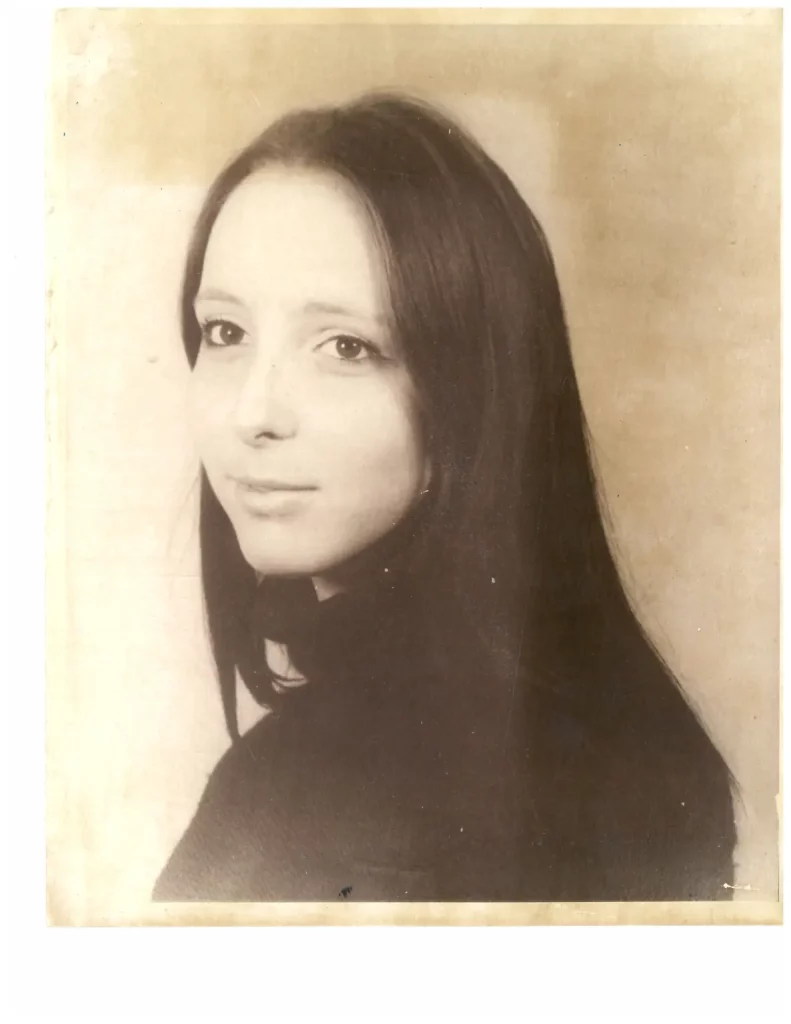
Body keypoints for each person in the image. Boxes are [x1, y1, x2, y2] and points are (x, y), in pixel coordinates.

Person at [153, 92, 737, 902]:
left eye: (345, 346)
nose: (253, 413)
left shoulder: (296, 794)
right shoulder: (637, 734)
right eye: (225, 332)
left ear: (468, 397)